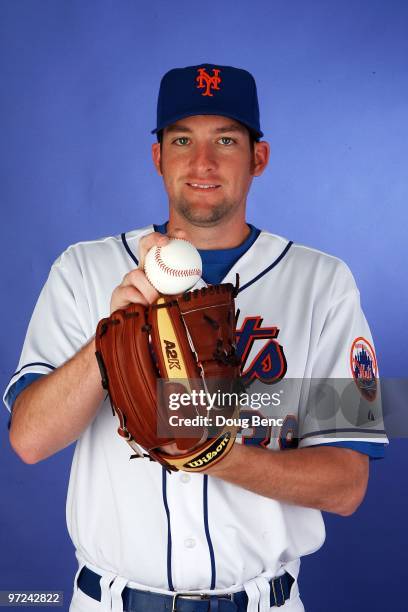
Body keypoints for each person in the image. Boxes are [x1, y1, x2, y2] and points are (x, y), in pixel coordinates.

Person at [4, 64, 388, 612]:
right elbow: (29, 440)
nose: (202, 162)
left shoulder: (323, 282)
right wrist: (110, 340)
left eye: (225, 140)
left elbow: (347, 486)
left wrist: (219, 457)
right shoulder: (83, 270)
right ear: (158, 156)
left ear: (259, 158)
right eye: (182, 139)